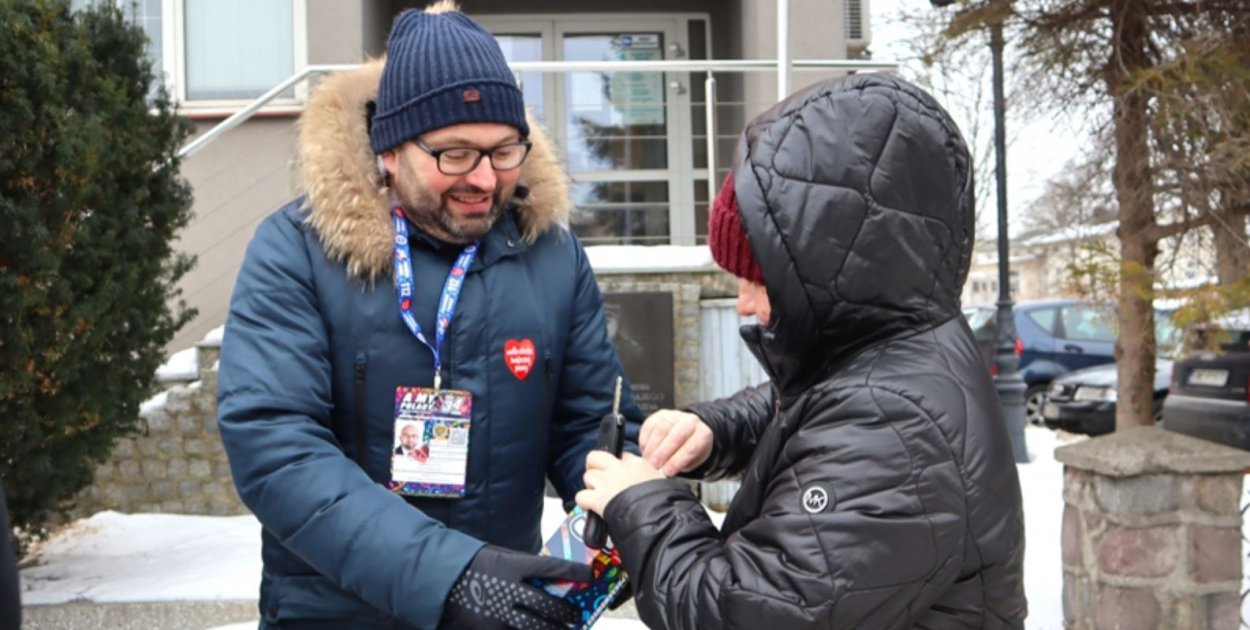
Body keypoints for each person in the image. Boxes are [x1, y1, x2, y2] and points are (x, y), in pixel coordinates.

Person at [216, 3, 643, 628]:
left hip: (502, 611)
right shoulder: (297, 251)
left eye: (504, 151)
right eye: (455, 154)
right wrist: (450, 577)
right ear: (389, 149)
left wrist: (633, 524)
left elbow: (589, 425)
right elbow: (277, 449)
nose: (485, 179)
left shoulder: (551, 254)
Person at [577, 73, 1028, 629]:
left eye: (759, 279)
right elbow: (813, 407)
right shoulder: (893, 353)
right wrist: (715, 430)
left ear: (835, 272)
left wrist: (642, 503)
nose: (743, 303)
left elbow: (747, 612)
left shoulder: (898, 431)